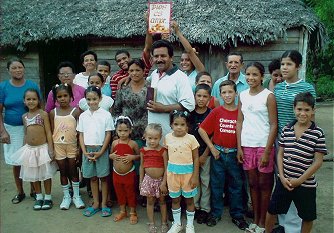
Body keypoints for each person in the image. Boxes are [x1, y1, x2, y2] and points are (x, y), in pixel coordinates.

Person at [265, 92, 327, 233]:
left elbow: (317, 162)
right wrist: (281, 175)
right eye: (299, 109)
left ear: (313, 111)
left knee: (307, 216)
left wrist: (300, 180)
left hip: (305, 184)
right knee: (272, 210)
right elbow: (280, 154)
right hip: (284, 181)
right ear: (294, 109)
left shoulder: (317, 133)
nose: (302, 113)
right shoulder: (287, 129)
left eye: (307, 110)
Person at [272, 50, 317, 233]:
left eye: (289, 64)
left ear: (298, 66)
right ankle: (283, 223)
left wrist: (310, 140)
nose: (284, 67)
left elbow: (311, 115)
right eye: (283, 64)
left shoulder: (307, 87)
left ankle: (294, 226)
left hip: (301, 140)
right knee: (282, 180)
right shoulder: (278, 87)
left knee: (299, 181)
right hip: (281, 140)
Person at [198, 80, 248, 230]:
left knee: (236, 186)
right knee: (216, 185)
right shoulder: (216, 111)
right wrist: (212, 147)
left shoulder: (241, 113)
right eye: (224, 93)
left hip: (234, 155)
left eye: (230, 92)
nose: (227, 95)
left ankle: (237, 215)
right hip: (218, 155)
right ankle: (215, 213)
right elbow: (202, 130)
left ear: (236, 93)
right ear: (219, 95)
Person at [236, 62, 277, 233]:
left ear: (262, 77)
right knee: (252, 183)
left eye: (255, 75)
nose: (251, 78)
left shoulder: (268, 96)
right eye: (248, 74)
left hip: (263, 145)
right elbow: (239, 122)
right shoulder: (243, 95)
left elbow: (274, 124)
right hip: (247, 145)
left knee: (264, 184)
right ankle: (255, 220)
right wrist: (239, 147)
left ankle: (263, 222)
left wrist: (267, 151)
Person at [0, 58, 41, 204]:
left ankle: (34, 190)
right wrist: (3, 131)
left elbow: (38, 106)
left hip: (30, 127)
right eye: (14, 68)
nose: (17, 70)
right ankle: (20, 191)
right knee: (16, 161)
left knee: (30, 160)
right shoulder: (3, 87)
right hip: (11, 128)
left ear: (24, 69)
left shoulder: (32, 85)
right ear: (8, 70)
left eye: (20, 67)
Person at [11, 88, 57, 210]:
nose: (31, 101)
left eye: (34, 99)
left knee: (45, 174)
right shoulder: (24, 116)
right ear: (24, 101)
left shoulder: (43, 114)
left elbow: (48, 132)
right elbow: (26, 133)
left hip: (42, 149)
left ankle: (48, 197)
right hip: (30, 149)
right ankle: (39, 197)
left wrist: (51, 149)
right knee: (34, 174)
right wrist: (23, 149)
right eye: (28, 99)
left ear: (38, 100)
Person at [77, 86, 114, 217]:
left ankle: (104, 203)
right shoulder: (83, 116)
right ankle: (96, 203)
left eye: (94, 99)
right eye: (89, 99)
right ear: (85, 99)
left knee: (103, 178)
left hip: (101, 150)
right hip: (87, 149)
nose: (92, 102)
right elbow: (81, 134)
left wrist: (102, 151)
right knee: (92, 178)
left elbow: (108, 134)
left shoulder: (106, 114)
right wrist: (84, 151)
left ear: (100, 98)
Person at [147, 39, 195, 138]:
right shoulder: (155, 74)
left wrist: (164, 108)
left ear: (171, 57)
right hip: (153, 138)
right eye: (156, 56)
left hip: (171, 136)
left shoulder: (180, 77)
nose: (159, 59)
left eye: (163, 56)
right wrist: (129, 77)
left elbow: (189, 104)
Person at [49, 84, 85, 210]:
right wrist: (51, 148)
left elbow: (80, 132)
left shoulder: (75, 112)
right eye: (59, 96)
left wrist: (79, 149)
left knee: (73, 170)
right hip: (58, 146)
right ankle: (66, 196)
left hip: (72, 146)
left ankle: (76, 196)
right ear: (55, 98)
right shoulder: (53, 113)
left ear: (71, 97)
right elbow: (51, 131)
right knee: (63, 171)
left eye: (65, 95)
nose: (62, 98)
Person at [164, 110, 199, 233]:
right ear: (171, 125)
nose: (179, 127)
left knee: (189, 200)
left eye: (182, 124)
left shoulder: (191, 139)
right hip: (172, 174)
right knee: (175, 199)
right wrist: (165, 179)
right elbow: (166, 157)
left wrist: (195, 176)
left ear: (187, 126)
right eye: (176, 124)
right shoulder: (167, 138)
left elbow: (196, 158)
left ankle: (190, 225)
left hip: (188, 175)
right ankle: (177, 223)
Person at [110, 17, 153, 99]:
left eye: (124, 58)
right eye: (119, 61)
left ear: (130, 57)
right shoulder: (115, 78)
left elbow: (147, 48)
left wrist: (148, 26)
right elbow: (116, 98)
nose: (122, 62)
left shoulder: (141, 66)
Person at [109, 116, 140, 224]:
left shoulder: (133, 143)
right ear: (116, 130)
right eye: (120, 131)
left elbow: (139, 156)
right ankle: (122, 211)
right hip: (116, 173)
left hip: (129, 173)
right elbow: (111, 154)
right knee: (119, 192)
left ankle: (132, 212)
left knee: (130, 192)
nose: (122, 133)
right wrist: (111, 156)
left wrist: (133, 157)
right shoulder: (114, 143)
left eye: (125, 131)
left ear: (130, 130)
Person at [189, 84, 212, 224]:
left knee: (205, 181)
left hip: (206, 155)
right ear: (194, 96)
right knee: (194, 181)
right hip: (191, 155)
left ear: (209, 98)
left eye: (205, 96)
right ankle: (195, 206)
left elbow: (213, 137)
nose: (201, 99)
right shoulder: (189, 114)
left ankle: (205, 209)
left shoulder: (211, 113)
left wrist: (204, 155)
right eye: (199, 96)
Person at [139, 123, 168, 233]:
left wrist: (164, 183)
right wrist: (141, 182)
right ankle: (151, 223)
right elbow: (142, 166)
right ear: (145, 136)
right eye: (150, 138)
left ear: (160, 137)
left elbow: (167, 167)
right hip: (148, 180)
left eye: (155, 138)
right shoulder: (143, 151)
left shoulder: (163, 151)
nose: (152, 141)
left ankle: (164, 222)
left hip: (160, 181)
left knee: (162, 201)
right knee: (150, 202)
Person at [113, 58, 149, 146]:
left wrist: (149, 130)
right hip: (125, 135)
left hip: (145, 135)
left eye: (137, 70)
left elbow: (150, 111)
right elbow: (116, 111)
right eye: (131, 70)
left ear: (143, 71)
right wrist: (117, 131)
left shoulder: (150, 88)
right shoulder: (123, 88)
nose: (134, 73)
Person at [171, 21, 205, 91]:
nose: (184, 62)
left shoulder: (199, 71)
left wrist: (177, 32)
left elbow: (190, 52)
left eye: (187, 60)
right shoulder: (182, 75)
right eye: (182, 60)